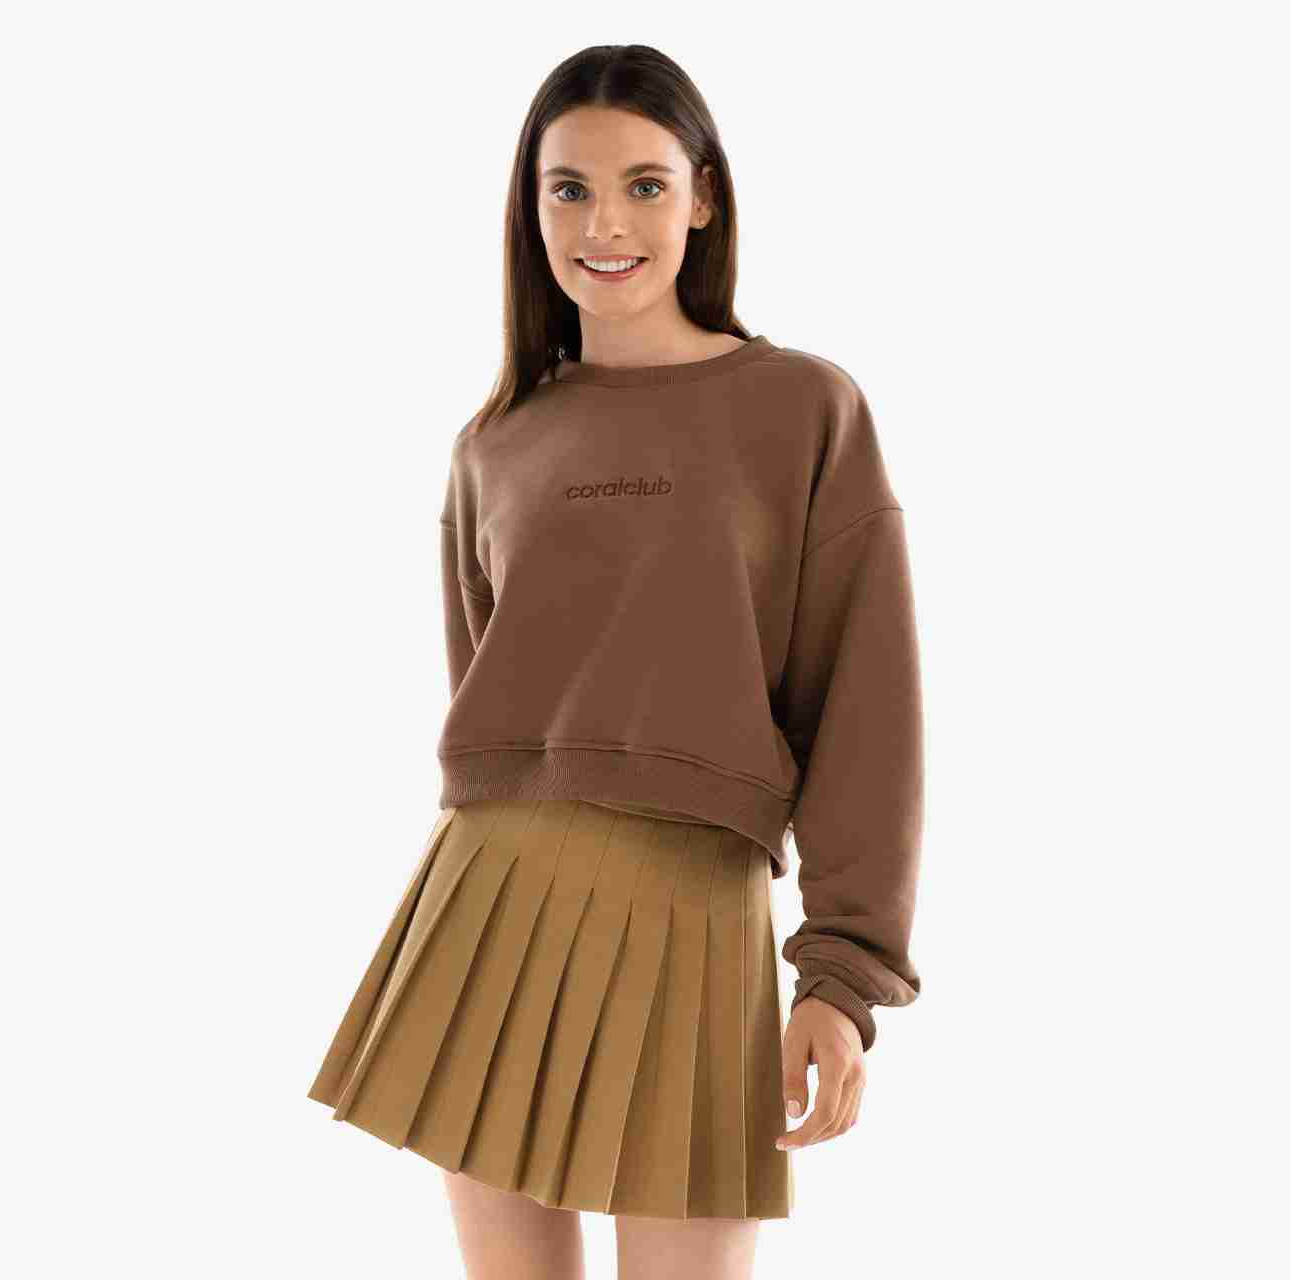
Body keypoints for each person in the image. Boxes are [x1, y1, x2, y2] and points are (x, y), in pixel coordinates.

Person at [307, 44, 926, 1280]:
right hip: (485, 899)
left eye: (645, 185)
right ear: (529, 208)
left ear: (705, 198)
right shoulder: (495, 441)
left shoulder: (805, 409)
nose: (605, 224)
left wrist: (843, 973)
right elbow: (485, 710)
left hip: (695, 904)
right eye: (570, 189)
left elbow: (870, 711)